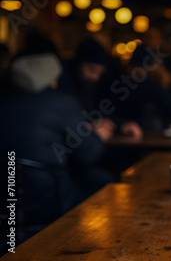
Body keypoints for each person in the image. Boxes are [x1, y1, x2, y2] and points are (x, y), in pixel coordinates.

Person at [0, 48, 115, 238]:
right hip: (49, 203)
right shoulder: (62, 103)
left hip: (6, 206)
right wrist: (96, 136)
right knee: (107, 186)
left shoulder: (4, 101)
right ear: (54, 78)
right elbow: (90, 154)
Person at [58, 38, 143, 140]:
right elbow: (66, 121)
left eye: (99, 73)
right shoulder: (62, 84)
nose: (95, 77)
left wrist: (120, 124)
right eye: (91, 69)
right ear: (78, 63)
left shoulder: (94, 84)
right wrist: (90, 127)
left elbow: (96, 114)